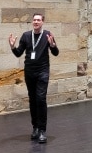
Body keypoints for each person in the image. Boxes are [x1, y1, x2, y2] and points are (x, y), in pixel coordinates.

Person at [8, 13, 59, 144]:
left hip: (43, 71)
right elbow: (18, 53)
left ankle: (42, 130)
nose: (36, 22)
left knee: (41, 99)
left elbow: (56, 53)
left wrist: (52, 45)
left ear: (43, 22)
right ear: (32, 22)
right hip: (29, 71)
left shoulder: (48, 35)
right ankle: (35, 127)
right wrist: (13, 46)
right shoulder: (26, 36)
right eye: (34, 20)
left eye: (38, 20)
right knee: (33, 100)